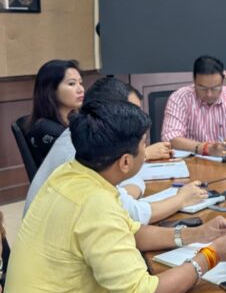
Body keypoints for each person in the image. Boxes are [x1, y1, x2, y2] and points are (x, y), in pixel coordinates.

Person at [0, 100, 226, 293]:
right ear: (126, 162)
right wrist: (212, 254)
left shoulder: (70, 173)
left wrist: (198, 235)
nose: (147, 149)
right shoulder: (95, 203)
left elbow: (131, 232)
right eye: (144, 144)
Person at [24, 78, 205, 224]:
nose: (137, 120)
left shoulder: (87, 135)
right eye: (130, 113)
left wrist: (126, 193)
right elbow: (129, 214)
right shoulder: (82, 149)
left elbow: (125, 192)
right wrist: (181, 199)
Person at [162, 56, 226, 155]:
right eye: (202, 88)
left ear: (223, 82)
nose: (209, 94)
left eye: (215, 88)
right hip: (193, 160)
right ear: (194, 81)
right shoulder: (179, 98)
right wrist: (207, 148)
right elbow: (171, 139)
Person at [24, 60, 84, 165]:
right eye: (72, 83)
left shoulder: (77, 119)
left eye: (80, 83)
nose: (80, 89)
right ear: (51, 89)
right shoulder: (45, 128)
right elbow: (82, 161)